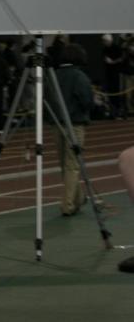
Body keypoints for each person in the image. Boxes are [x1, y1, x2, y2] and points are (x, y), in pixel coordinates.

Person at [48, 43, 94, 216]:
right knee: (72, 165)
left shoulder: (52, 75)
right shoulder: (79, 76)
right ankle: (67, 205)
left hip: (56, 124)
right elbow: (86, 100)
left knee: (64, 164)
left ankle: (78, 198)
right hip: (74, 124)